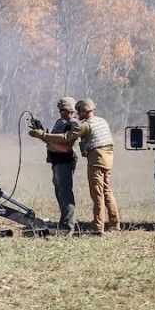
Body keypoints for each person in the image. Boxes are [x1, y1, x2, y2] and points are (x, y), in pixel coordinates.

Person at [29, 98, 120, 233]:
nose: (77, 114)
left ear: (84, 111)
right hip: (108, 158)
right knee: (106, 191)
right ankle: (114, 224)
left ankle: (98, 227)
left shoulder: (82, 125)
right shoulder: (102, 121)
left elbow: (66, 140)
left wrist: (43, 135)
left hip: (96, 159)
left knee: (97, 193)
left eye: (78, 111)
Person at [31, 97, 79, 231]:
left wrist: (43, 136)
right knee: (59, 192)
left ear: (71, 110)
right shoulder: (60, 122)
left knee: (65, 193)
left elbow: (65, 147)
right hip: (56, 160)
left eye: (63, 110)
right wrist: (42, 134)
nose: (60, 112)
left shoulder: (73, 125)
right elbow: (51, 141)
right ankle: (63, 222)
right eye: (60, 110)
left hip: (65, 159)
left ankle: (68, 225)